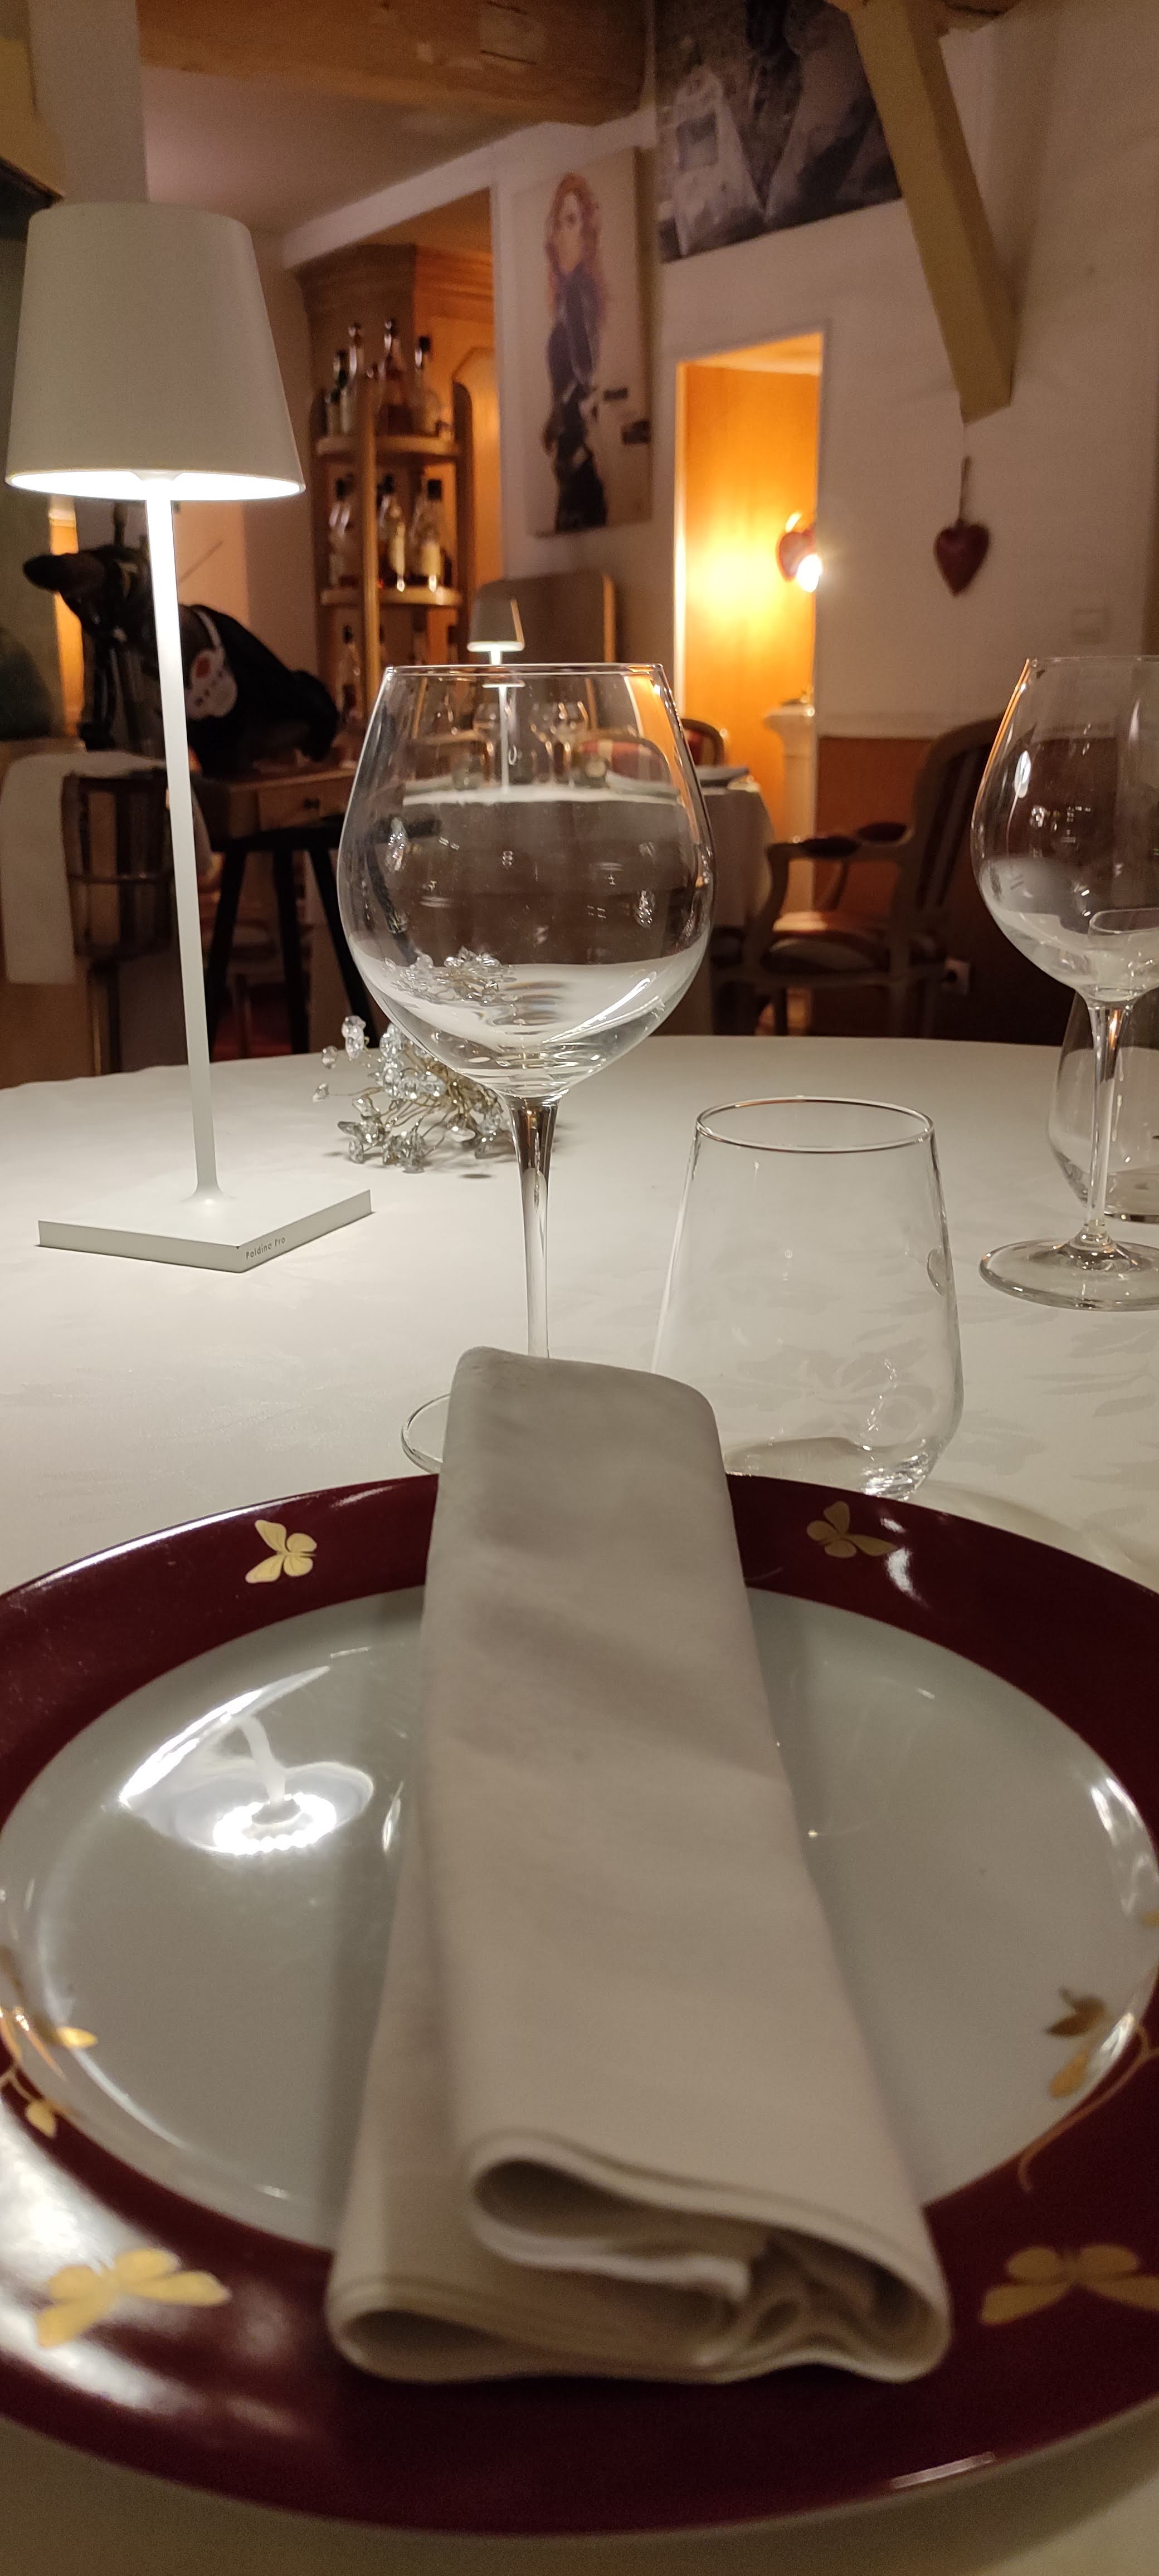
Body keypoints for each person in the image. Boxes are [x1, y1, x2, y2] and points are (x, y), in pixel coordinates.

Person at [543, 174, 608, 533]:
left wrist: (561, 410)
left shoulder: (576, 295)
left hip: (578, 470)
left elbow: (585, 375)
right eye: (565, 222)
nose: (571, 234)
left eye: (577, 223)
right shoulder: (572, 294)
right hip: (573, 471)